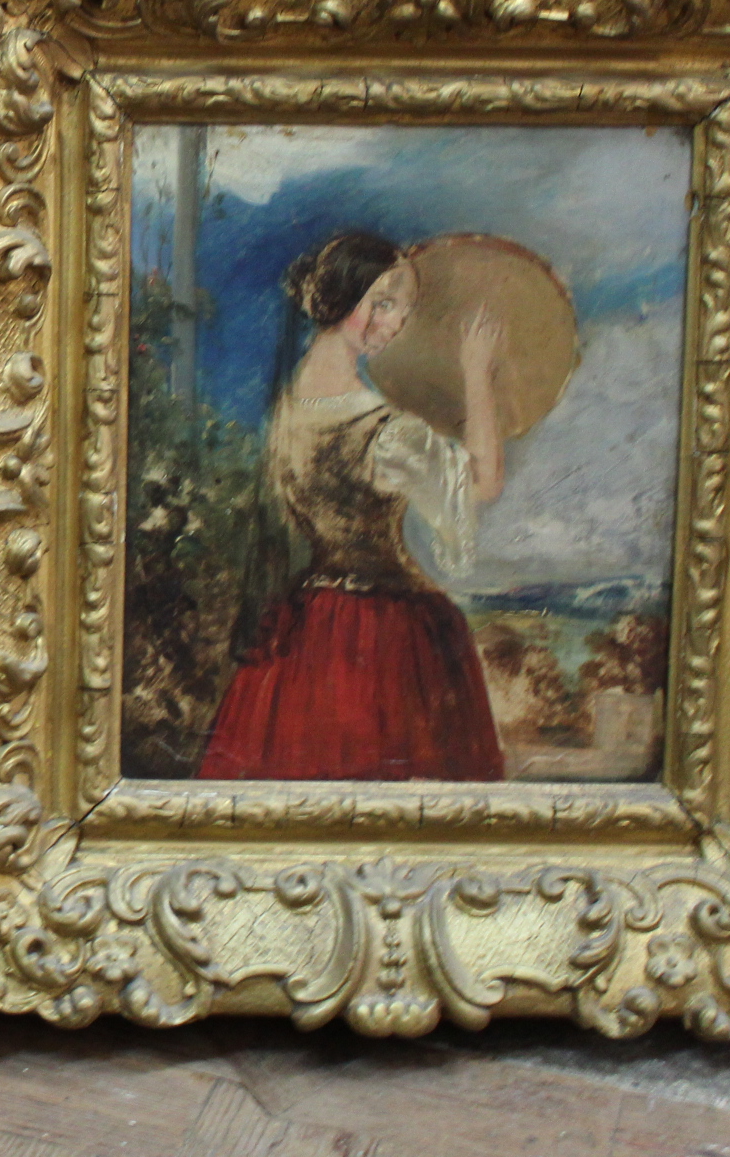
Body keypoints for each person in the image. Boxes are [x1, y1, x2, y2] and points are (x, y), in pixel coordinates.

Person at [196, 231, 508, 781]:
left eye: (402, 312)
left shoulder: (288, 408)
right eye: (382, 304)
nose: (392, 324)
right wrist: (478, 375)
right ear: (343, 297)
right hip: (386, 639)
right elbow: (483, 482)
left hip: (309, 628)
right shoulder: (385, 431)